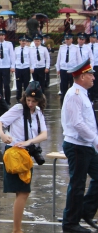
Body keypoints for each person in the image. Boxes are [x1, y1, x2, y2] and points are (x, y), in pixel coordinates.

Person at [0, 81, 48, 233]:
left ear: (39, 100)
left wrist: (30, 141)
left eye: (34, 101)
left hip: (26, 154)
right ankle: (17, 230)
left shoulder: (38, 112)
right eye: (28, 100)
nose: (30, 103)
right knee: (23, 192)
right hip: (14, 153)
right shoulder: (18, 109)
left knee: (23, 191)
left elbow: (44, 134)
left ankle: (17, 229)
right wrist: (3, 135)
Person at [60, 59, 98, 233]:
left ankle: (86, 211)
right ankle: (70, 223)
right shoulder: (74, 94)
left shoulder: (82, 93)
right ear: (82, 76)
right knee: (77, 184)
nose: (93, 78)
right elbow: (77, 124)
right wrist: (95, 140)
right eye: (91, 75)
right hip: (77, 145)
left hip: (86, 145)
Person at [57, 33, 83, 105]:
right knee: (63, 84)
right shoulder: (61, 47)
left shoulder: (75, 48)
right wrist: (58, 68)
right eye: (66, 39)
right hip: (63, 69)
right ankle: (64, 97)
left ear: (71, 39)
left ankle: (74, 97)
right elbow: (59, 59)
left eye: (68, 39)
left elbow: (79, 60)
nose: (67, 41)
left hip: (73, 69)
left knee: (73, 84)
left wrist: (79, 70)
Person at [0, 29, 15, 105]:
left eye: (2, 35)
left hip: (6, 66)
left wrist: (12, 66)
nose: (1, 37)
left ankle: (8, 101)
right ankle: (1, 100)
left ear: (4, 36)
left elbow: (12, 55)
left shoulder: (9, 44)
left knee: (6, 85)